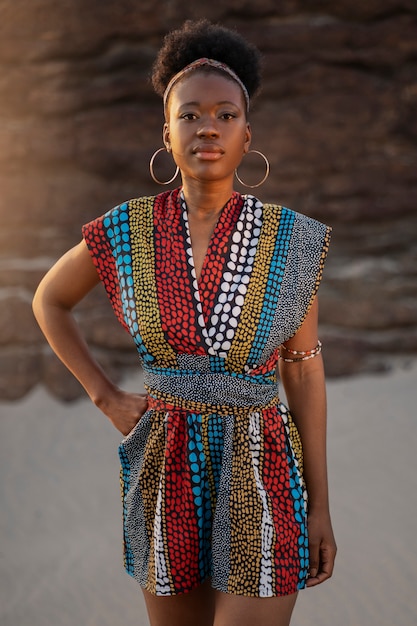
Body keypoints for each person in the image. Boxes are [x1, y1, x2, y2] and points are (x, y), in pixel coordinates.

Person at [33, 19, 336, 626]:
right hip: (165, 466)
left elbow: (303, 373)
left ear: (248, 136)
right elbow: (49, 301)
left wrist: (320, 506)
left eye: (226, 115)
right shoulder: (125, 231)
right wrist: (105, 396)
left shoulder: (292, 240)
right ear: (166, 132)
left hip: (263, 467)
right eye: (190, 115)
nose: (208, 128)